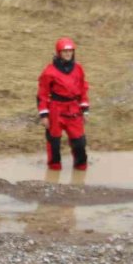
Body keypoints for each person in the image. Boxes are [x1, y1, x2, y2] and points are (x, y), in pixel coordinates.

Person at [37, 37, 90, 171]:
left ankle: (80, 168)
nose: (68, 54)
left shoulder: (78, 69)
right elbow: (42, 94)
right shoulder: (49, 71)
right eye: (65, 51)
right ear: (59, 52)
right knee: (54, 141)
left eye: (70, 51)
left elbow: (83, 89)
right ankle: (54, 169)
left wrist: (85, 110)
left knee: (79, 141)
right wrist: (44, 115)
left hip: (73, 108)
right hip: (56, 109)